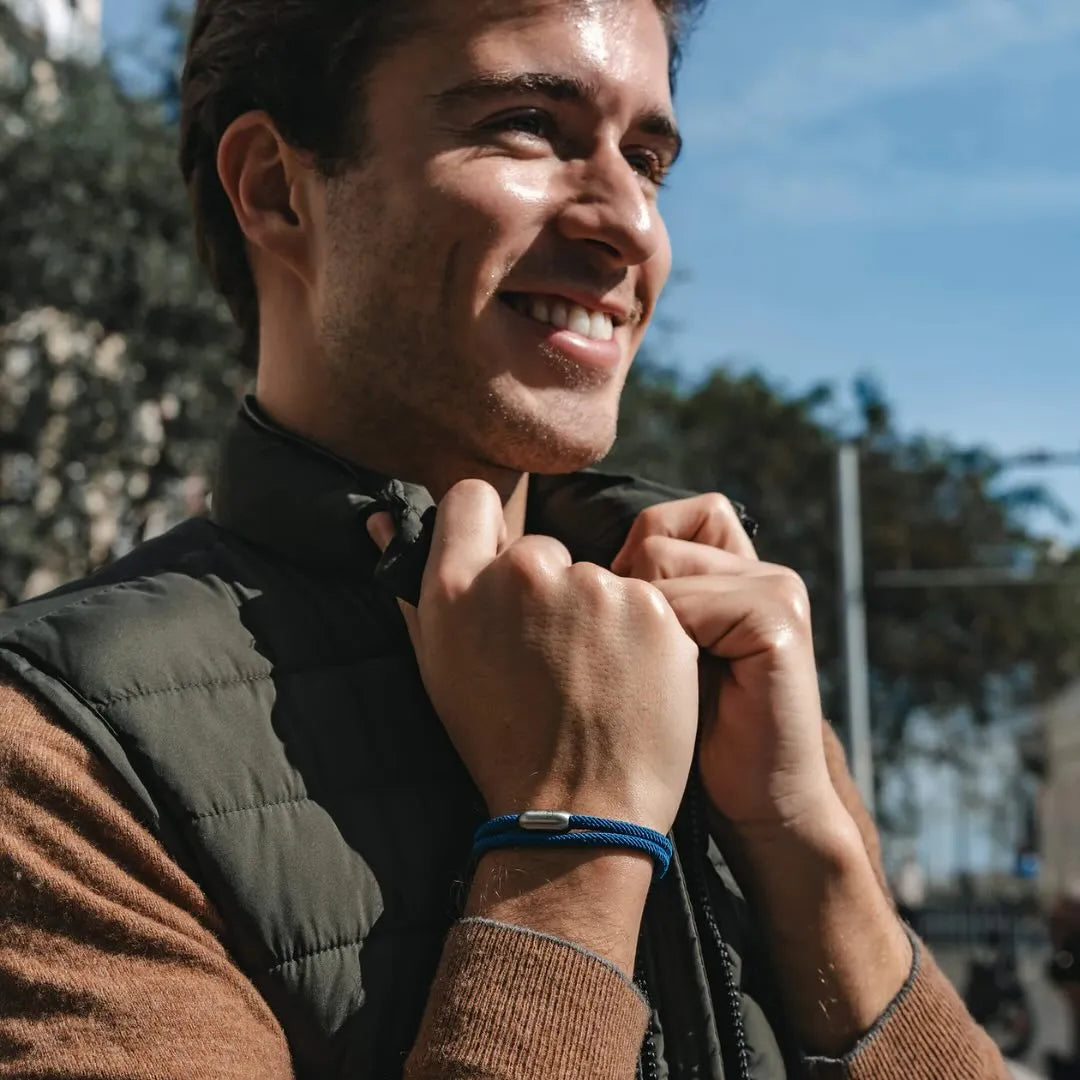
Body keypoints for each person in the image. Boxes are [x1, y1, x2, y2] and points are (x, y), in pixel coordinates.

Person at [0, 1, 1011, 1078]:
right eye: (528, 125)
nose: (632, 224)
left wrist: (812, 852)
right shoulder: (55, 761)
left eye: (648, 160)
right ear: (275, 188)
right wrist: (576, 835)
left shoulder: (724, 664)